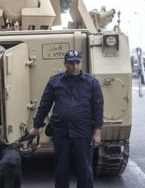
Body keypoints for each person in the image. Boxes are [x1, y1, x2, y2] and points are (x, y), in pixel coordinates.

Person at [29, 50, 104, 188]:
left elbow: (98, 107)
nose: (74, 66)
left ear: (81, 63)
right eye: (71, 63)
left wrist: (97, 131)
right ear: (65, 64)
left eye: (77, 62)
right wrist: (36, 126)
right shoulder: (55, 81)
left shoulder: (92, 83)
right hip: (61, 132)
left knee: (85, 169)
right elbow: (45, 104)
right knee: (61, 169)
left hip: (83, 132)